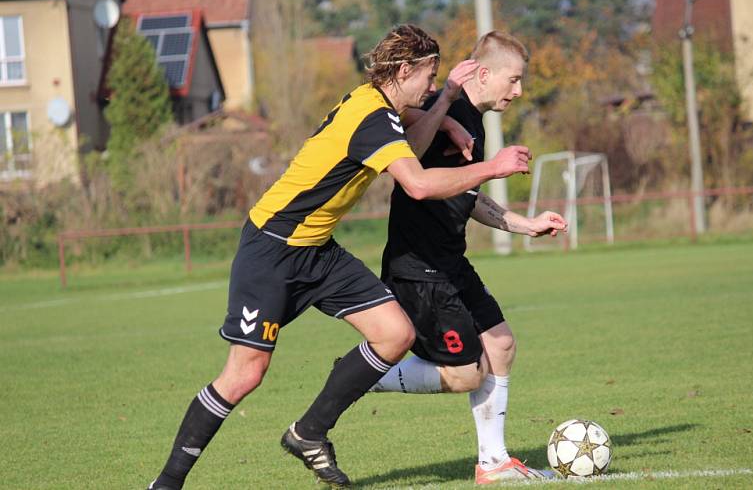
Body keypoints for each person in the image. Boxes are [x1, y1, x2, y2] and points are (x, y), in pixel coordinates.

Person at [146, 25, 534, 490]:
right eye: (429, 78)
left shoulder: (372, 103)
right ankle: (166, 483)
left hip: (318, 250)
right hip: (272, 248)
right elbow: (418, 183)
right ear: (405, 70)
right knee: (244, 375)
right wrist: (495, 166)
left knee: (395, 334)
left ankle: (309, 432)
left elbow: (409, 127)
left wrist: (446, 107)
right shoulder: (373, 120)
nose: (432, 88)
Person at [373, 31, 568, 485]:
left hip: (450, 261)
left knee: (500, 344)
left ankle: (494, 462)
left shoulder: (473, 122)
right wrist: (443, 113)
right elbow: (411, 166)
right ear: (484, 73)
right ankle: (371, 371)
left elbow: (470, 197)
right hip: (419, 267)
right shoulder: (450, 108)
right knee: (466, 373)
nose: (519, 91)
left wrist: (527, 224)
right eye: (513, 80)